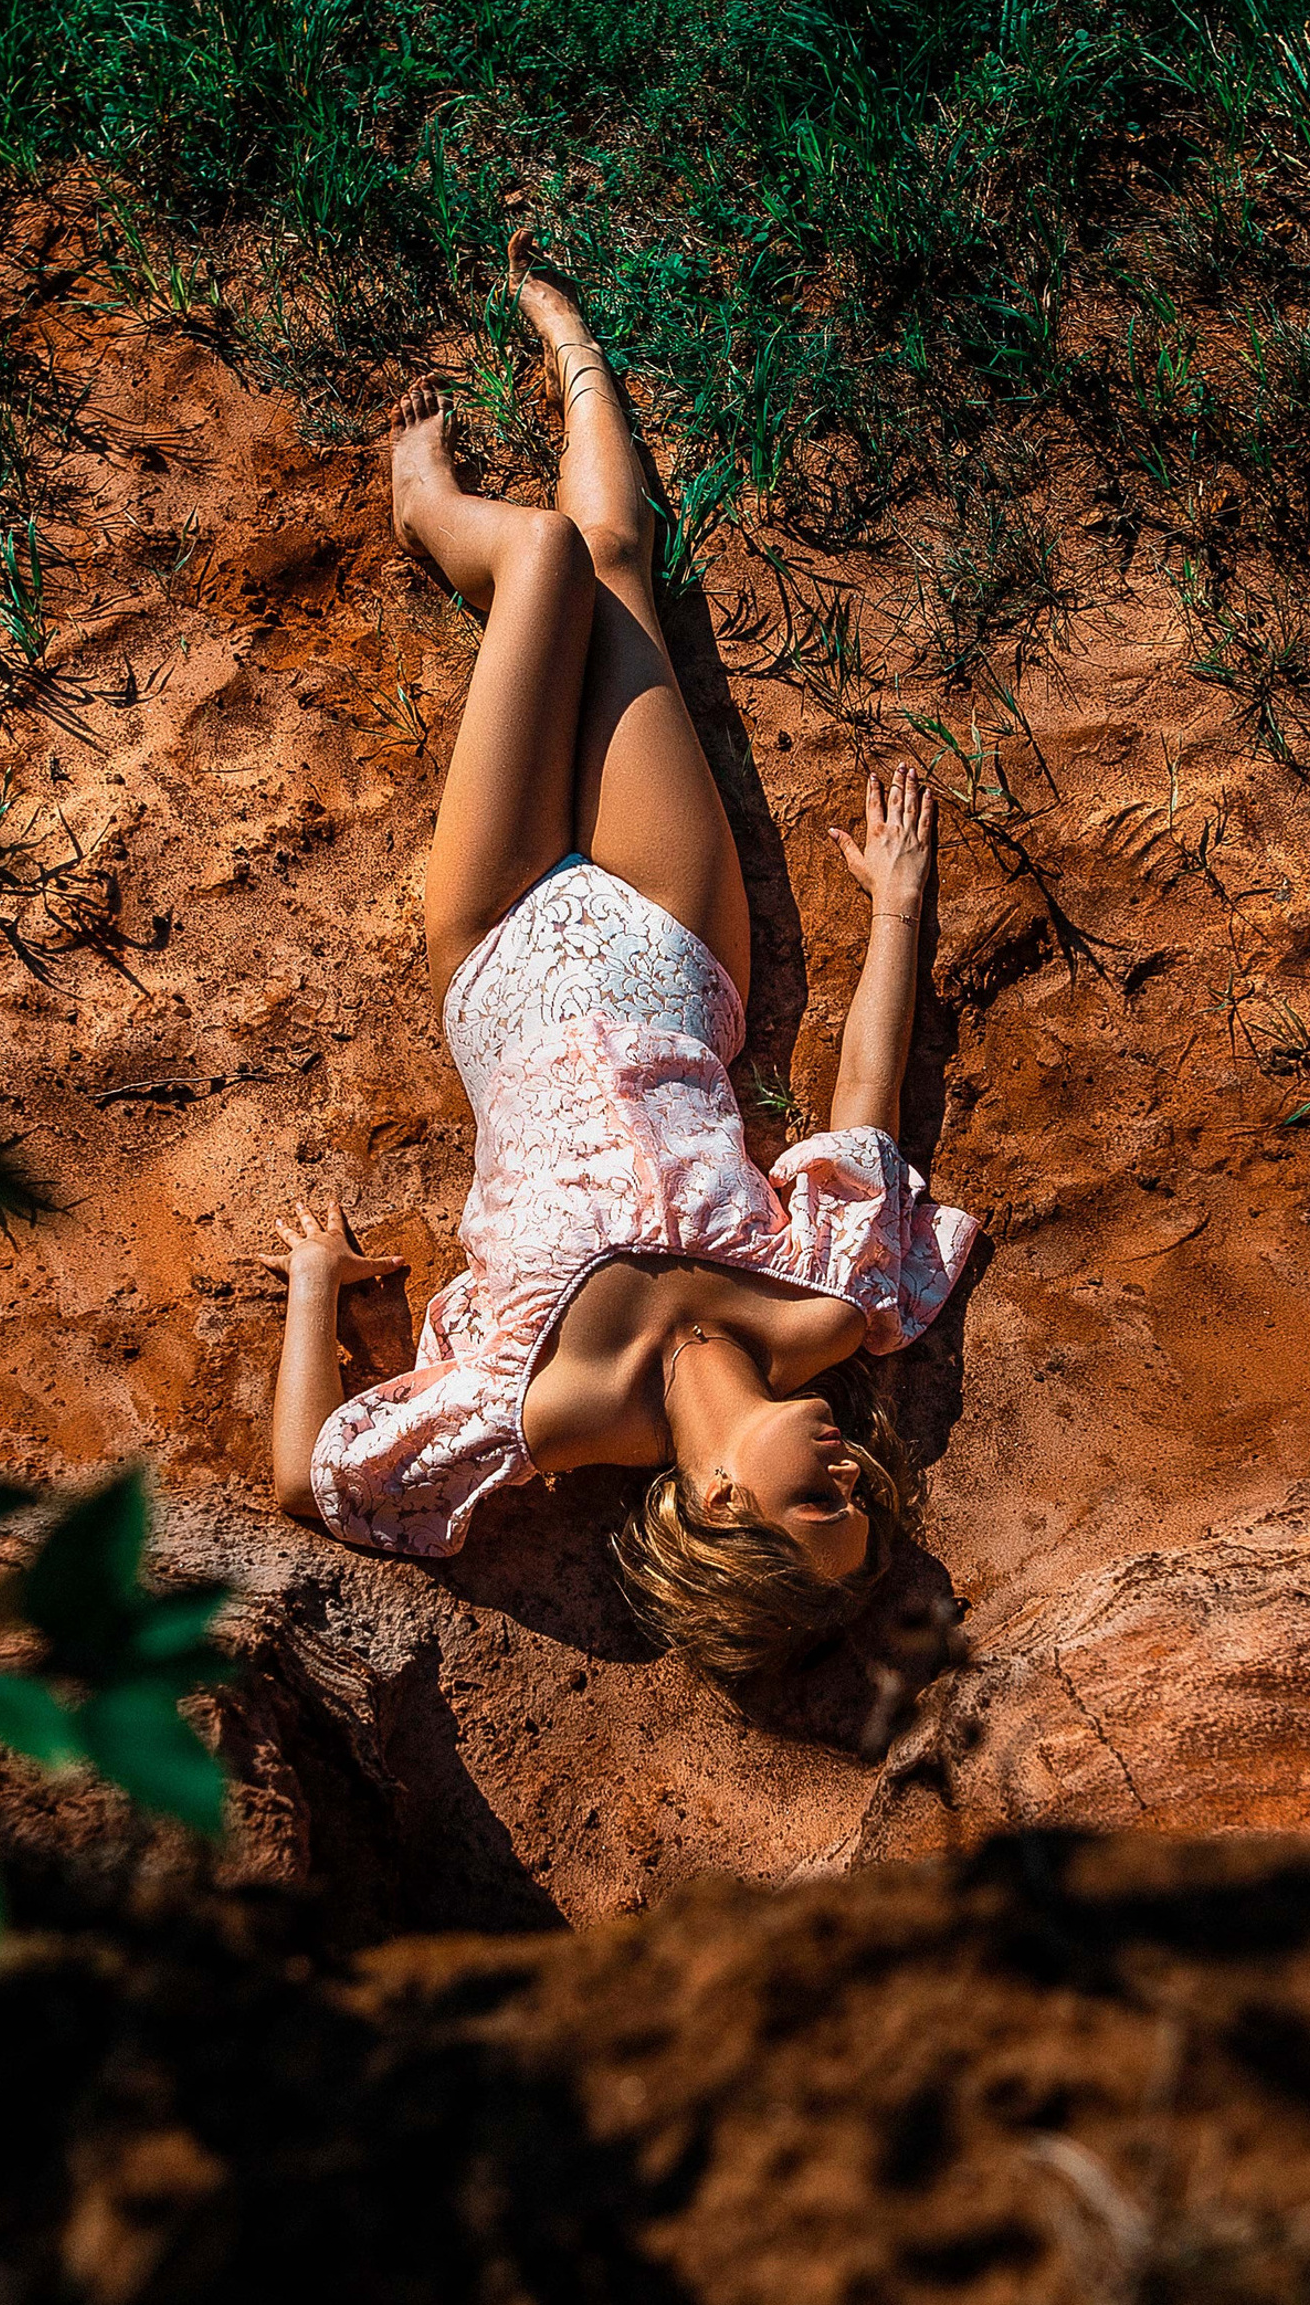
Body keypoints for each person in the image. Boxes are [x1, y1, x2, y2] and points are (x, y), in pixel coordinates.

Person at [268, 235, 976, 1688]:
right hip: (670, 942)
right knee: (613, 572)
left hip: (501, 954)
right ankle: (578, 344)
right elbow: (862, 1119)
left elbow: (318, 1481)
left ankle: (427, 511)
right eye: (862, 1500)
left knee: (534, 557)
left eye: (821, 1507)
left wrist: (311, 1288)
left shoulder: (552, 1410)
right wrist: (895, 905)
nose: (855, 1476)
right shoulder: (828, 1312)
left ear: (720, 1509)